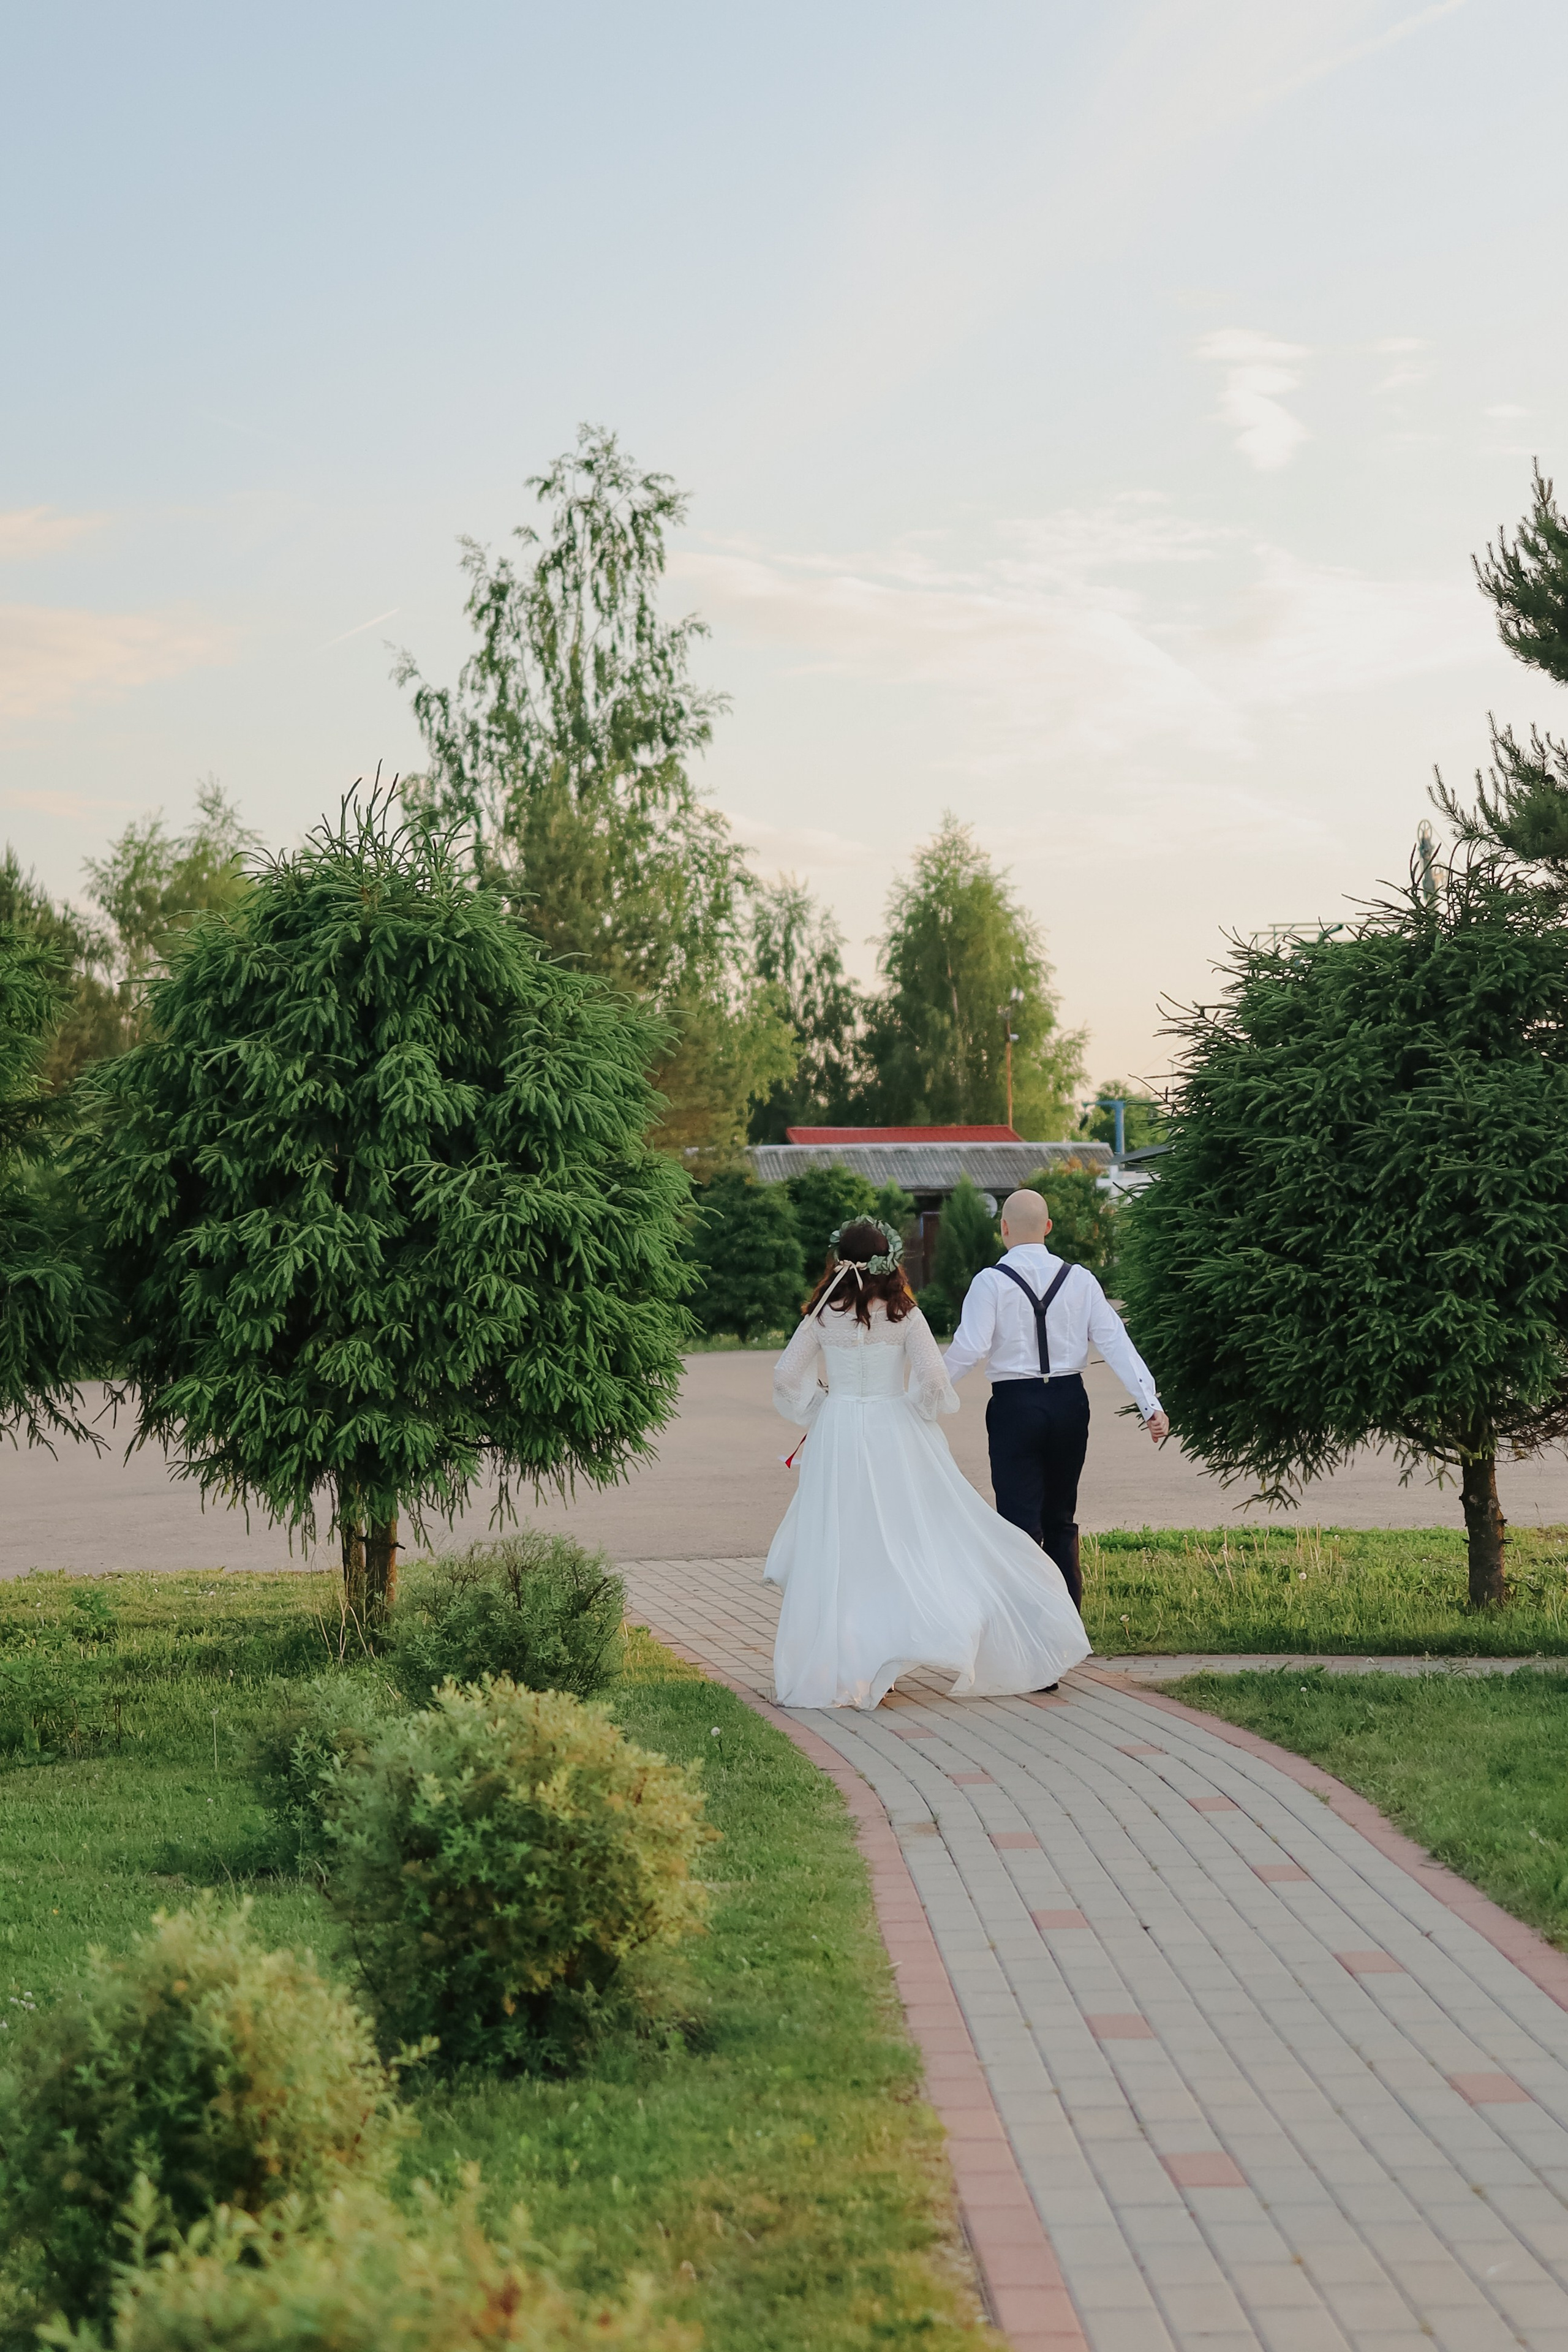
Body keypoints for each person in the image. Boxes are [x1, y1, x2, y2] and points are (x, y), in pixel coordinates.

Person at [765, 1216, 1090, 1710]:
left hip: (839, 1434)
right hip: (892, 1433)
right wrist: (915, 1410)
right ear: (890, 1261)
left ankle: (851, 1662)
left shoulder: (824, 1315)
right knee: (900, 1540)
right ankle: (895, 1647)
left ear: (838, 1261)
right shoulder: (904, 1314)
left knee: (844, 1544)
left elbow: (786, 1376)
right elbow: (935, 1381)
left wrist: (821, 1408)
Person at [944, 1187, 1169, 1608]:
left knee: (1019, 1526)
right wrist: (1149, 1403)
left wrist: (925, 1396)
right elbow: (1115, 1341)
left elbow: (970, 1348)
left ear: (1003, 1228)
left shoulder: (990, 1282)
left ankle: (1031, 1631)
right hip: (1069, 1403)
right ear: (1048, 1227)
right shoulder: (1080, 1279)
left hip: (1014, 1406)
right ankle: (1069, 1626)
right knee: (1061, 1520)